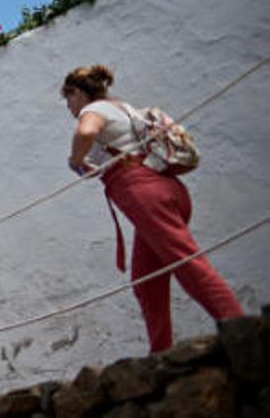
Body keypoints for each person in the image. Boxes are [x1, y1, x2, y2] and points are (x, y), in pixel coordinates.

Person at [62, 64, 244, 353]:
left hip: (142, 192)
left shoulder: (92, 110)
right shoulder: (124, 108)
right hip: (167, 187)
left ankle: (240, 328)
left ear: (78, 93)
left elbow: (86, 132)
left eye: (68, 98)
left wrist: (75, 159)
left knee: (186, 261)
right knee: (147, 279)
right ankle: (161, 352)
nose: (68, 106)